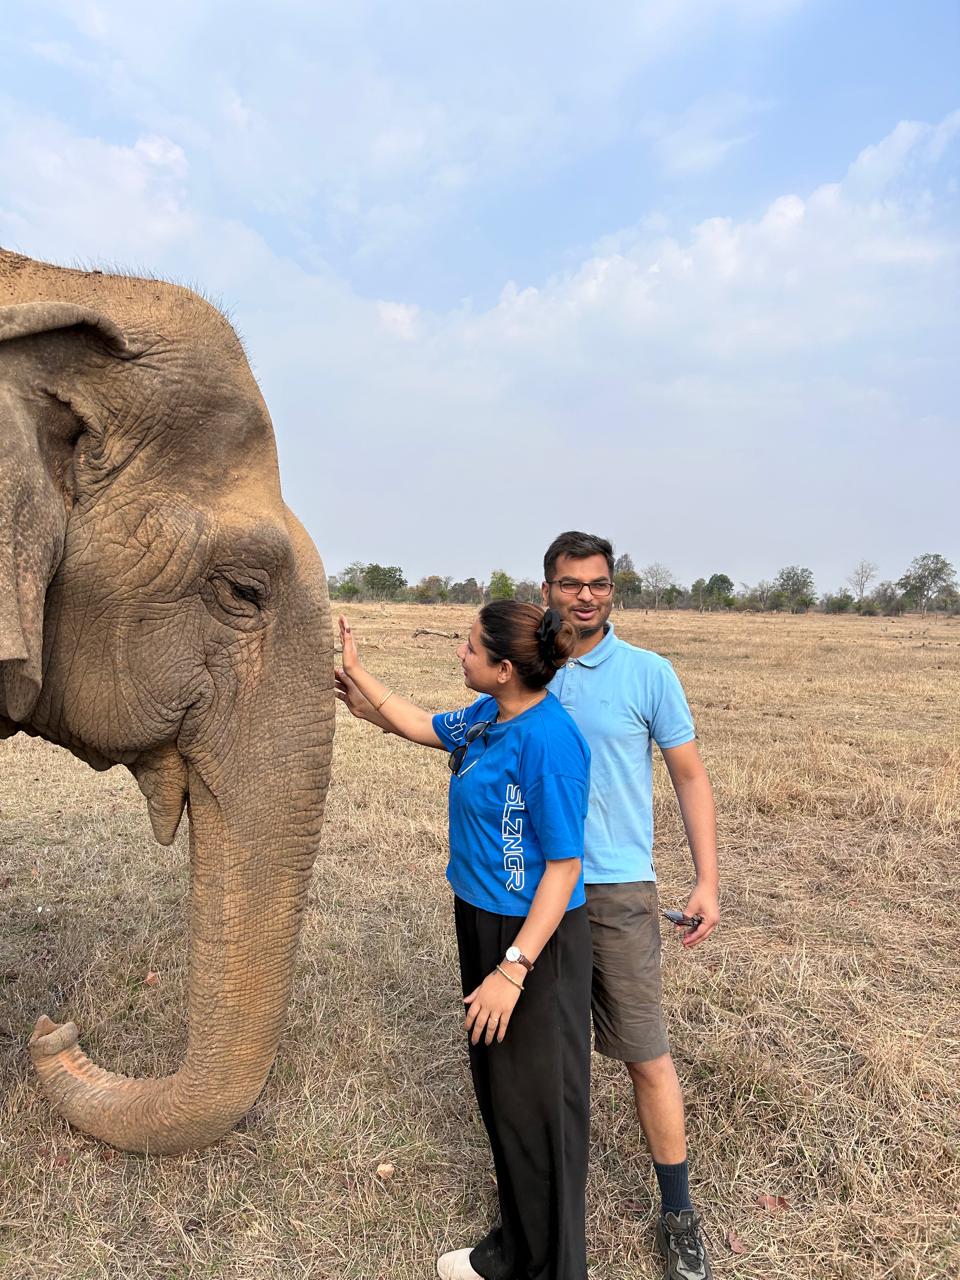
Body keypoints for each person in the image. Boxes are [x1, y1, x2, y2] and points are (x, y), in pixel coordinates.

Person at [336, 601, 594, 1280]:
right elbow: (420, 724)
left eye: (470, 646)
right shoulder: (487, 717)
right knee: (502, 1097)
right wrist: (360, 677)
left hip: (534, 940)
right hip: (481, 917)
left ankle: (551, 1268)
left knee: (540, 1114)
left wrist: (513, 970)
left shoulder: (550, 742)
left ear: (505, 669)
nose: (459, 653)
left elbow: (565, 867)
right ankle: (515, 1250)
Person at [541, 531, 719, 1280]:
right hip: (538, 887)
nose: (586, 595)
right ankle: (538, 1207)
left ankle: (678, 1214)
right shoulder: (527, 665)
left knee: (646, 1055)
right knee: (549, 1061)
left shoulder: (648, 673)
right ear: (546, 586)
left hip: (617, 888)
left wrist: (707, 879)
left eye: (600, 583)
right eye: (572, 582)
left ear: (613, 589)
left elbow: (689, 777)